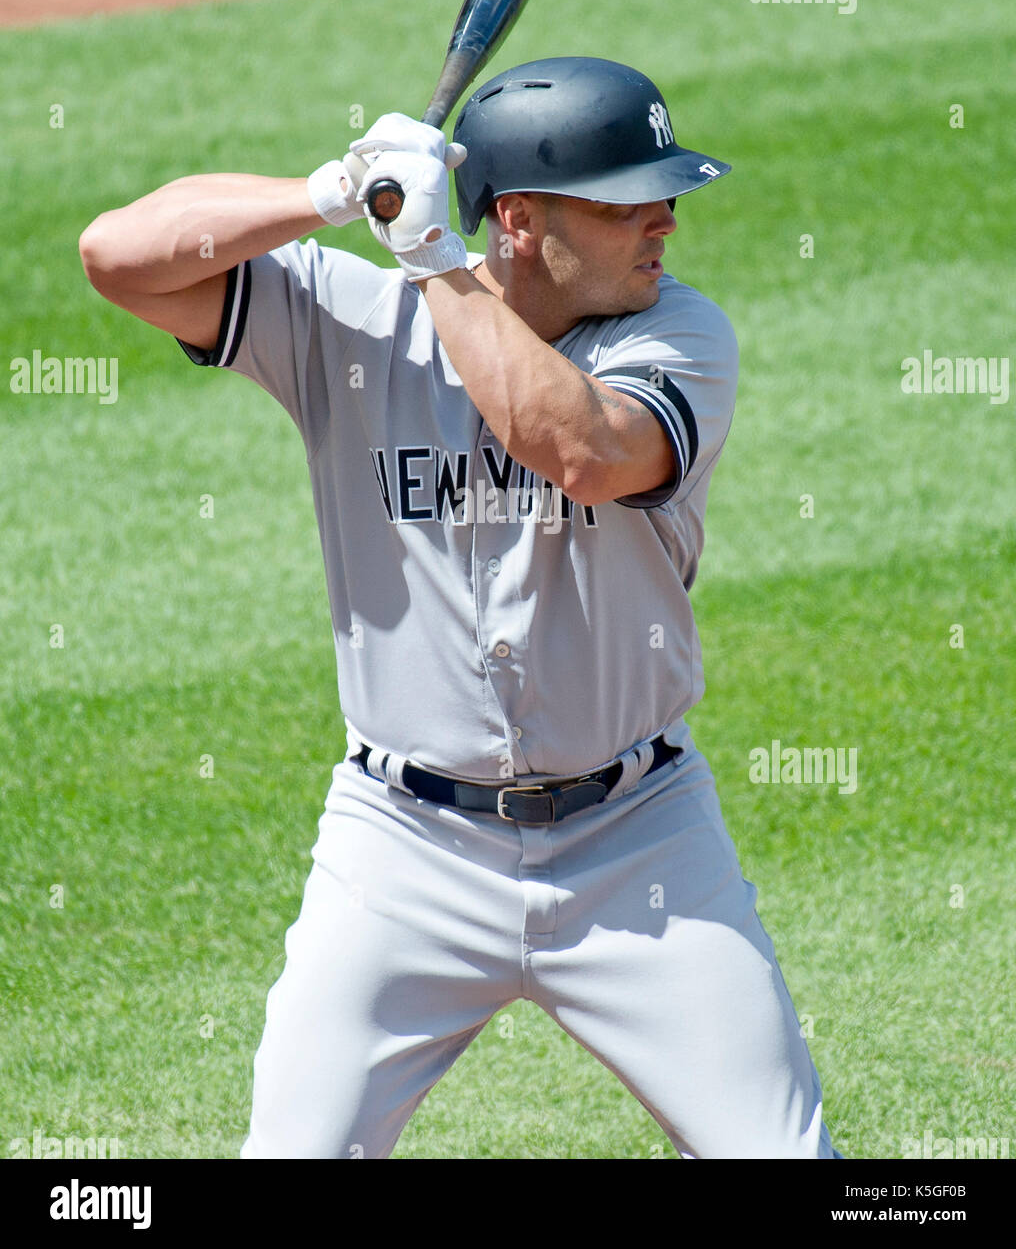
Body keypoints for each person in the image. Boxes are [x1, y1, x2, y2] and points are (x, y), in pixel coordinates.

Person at [79, 56, 838, 1159]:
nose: (665, 219)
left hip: (639, 848)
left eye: (664, 192)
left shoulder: (676, 336)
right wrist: (330, 194)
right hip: (401, 852)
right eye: (628, 199)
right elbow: (118, 258)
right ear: (522, 221)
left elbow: (577, 447)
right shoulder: (355, 324)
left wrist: (433, 254)